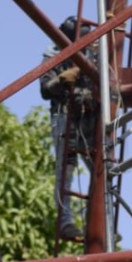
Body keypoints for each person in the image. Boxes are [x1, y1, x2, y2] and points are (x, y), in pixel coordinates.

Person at [40, 16, 97, 241]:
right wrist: (63, 80)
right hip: (65, 114)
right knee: (66, 168)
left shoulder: (95, 52)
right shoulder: (54, 53)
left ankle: (99, 221)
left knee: (101, 169)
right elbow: (45, 89)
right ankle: (66, 223)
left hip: (89, 114)